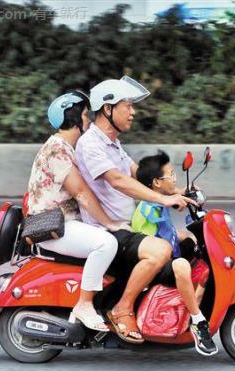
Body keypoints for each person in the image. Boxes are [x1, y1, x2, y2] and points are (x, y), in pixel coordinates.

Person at [75, 76, 196, 344]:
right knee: (161, 250)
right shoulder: (91, 144)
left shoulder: (112, 143)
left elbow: (136, 173)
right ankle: (122, 308)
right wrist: (162, 200)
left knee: (187, 238)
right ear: (108, 109)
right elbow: (118, 180)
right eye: (127, 106)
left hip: (129, 225)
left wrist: (174, 191)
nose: (133, 112)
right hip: (110, 229)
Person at [27, 91, 127, 332]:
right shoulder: (57, 149)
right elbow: (81, 192)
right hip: (53, 227)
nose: (89, 121)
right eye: (84, 115)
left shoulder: (66, 147)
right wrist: (110, 222)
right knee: (106, 243)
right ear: (72, 118)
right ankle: (84, 304)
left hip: (65, 223)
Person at [132, 150, 218, 356]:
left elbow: (169, 228)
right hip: (152, 263)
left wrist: (182, 193)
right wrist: (177, 199)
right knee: (181, 264)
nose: (174, 179)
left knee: (192, 242)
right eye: (170, 175)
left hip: (163, 252)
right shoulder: (148, 206)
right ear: (157, 183)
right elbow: (161, 209)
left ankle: (193, 302)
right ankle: (198, 322)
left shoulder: (159, 197)